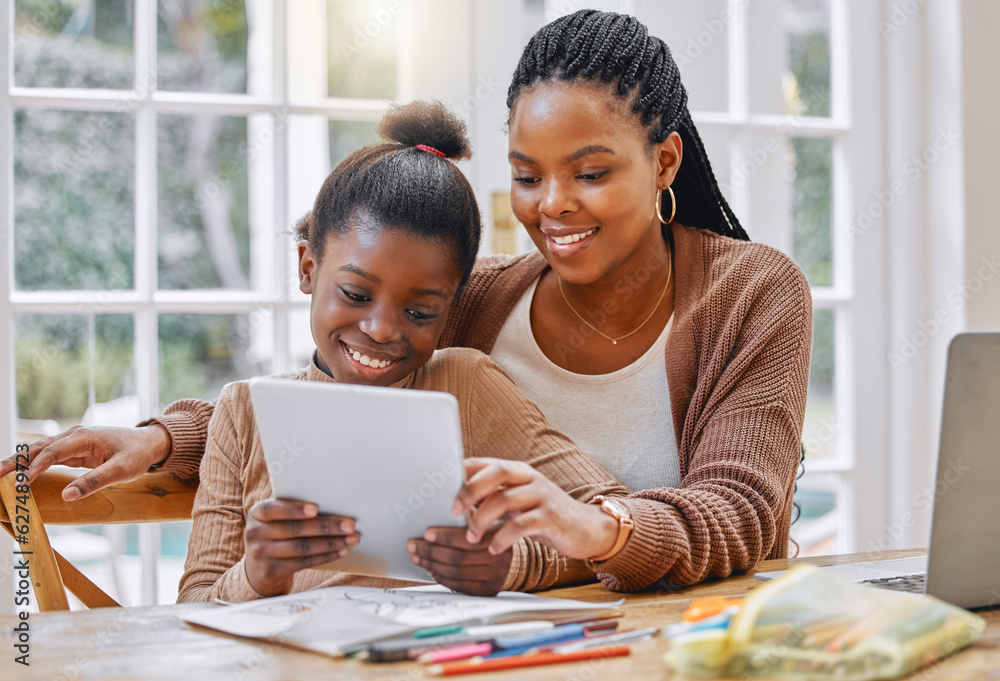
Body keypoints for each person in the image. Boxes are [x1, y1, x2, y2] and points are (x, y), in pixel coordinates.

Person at [4, 10, 811, 594]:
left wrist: (594, 528)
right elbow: (338, 386)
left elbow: (738, 509)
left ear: (665, 161)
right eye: (527, 174)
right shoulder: (473, 298)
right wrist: (160, 436)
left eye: (591, 172)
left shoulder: (751, 293)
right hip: (525, 636)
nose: (552, 204)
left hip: (691, 635)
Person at [177, 100, 628, 602]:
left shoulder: (465, 385)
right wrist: (258, 575)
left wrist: (513, 565)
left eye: (420, 313)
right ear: (308, 268)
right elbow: (194, 604)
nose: (382, 330)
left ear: (451, 306)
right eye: (355, 295)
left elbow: (608, 519)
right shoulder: (241, 414)